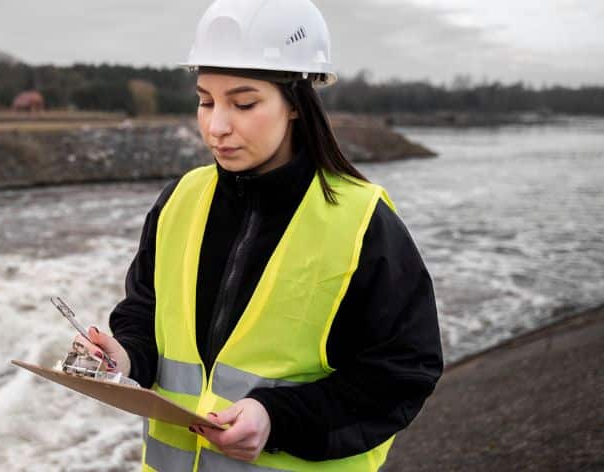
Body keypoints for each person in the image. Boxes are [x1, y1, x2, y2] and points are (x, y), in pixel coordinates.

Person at [75, 0, 443, 470]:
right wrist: (125, 357)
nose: (217, 126)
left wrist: (276, 417)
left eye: (244, 103)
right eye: (206, 101)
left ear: (295, 104)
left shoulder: (361, 222)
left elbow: (402, 371)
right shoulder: (180, 200)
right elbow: (145, 313)